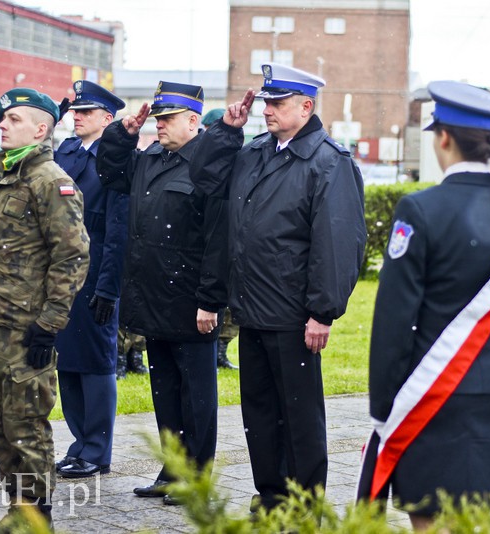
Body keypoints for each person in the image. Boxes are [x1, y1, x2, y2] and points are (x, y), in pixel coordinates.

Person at [355, 81, 490, 530]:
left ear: (443, 138)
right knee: (472, 524)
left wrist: (383, 405)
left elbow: (395, 321)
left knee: (431, 522)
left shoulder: (420, 209)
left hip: (428, 395)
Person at [190, 63, 367, 512]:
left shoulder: (328, 161)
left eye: (278, 103)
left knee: (300, 418)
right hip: (252, 307)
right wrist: (227, 132)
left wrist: (322, 311)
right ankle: (271, 496)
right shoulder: (253, 151)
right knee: (261, 414)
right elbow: (205, 180)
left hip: (293, 314)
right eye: (266, 102)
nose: (267, 110)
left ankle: (305, 505)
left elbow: (338, 239)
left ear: (306, 107)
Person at [0, 88, 89, 532]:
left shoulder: (51, 181)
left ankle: (35, 513)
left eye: (13, 120)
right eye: (2, 120)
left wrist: (50, 323)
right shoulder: (1, 172)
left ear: (41, 129)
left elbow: (73, 256)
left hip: (26, 326)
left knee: (26, 422)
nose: (3, 125)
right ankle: (18, 505)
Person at [97, 81, 228, 505]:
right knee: (166, 392)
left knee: (197, 396)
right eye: (158, 120)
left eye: (168, 120)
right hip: (153, 297)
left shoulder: (207, 164)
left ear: (194, 120)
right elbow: (110, 171)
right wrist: (124, 133)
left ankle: (195, 476)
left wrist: (211, 299)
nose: (161, 127)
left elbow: (218, 239)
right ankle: (171, 468)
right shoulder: (150, 157)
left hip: (191, 302)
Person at [53, 80, 129, 479]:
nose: (77, 116)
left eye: (86, 111)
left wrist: (108, 285)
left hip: (96, 268)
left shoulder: (115, 158)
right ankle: (79, 443)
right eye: (75, 111)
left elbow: (118, 228)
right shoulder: (64, 151)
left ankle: (97, 450)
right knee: (67, 357)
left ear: (107, 118)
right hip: (61, 272)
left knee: (97, 362)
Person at [202, 107, 239, 371]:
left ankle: (221, 350)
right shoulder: (202, 162)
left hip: (228, 248)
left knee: (228, 314)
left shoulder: (235, 164)